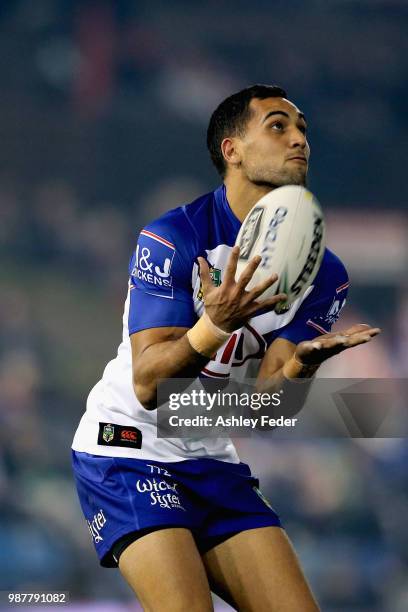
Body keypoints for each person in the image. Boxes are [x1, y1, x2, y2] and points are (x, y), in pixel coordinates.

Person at [72, 84, 380, 611]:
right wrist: (214, 325)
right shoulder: (173, 237)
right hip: (128, 446)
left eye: (302, 128)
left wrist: (299, 373)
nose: (299, 138)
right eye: (278, 126)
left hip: (210, 452)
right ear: (231, 150)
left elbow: (266, 409)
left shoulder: (325, 275)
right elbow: (148, 385)